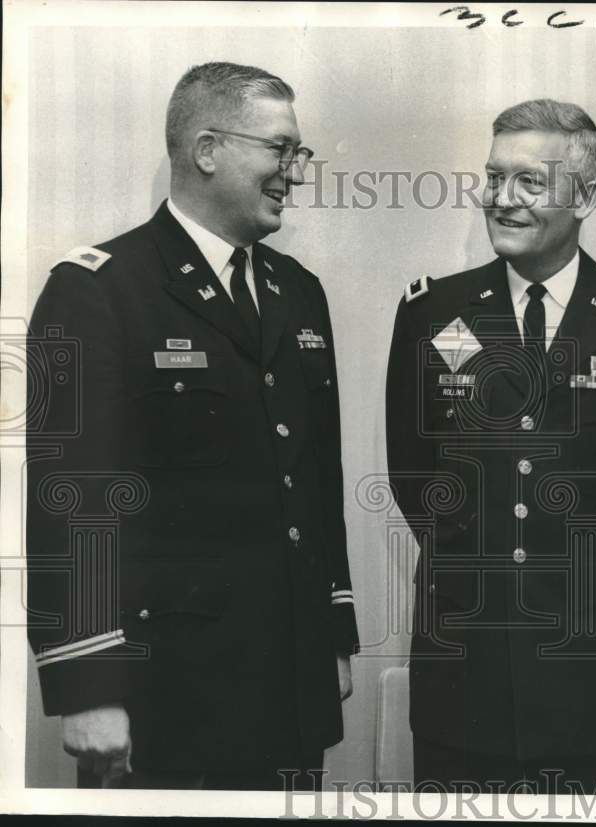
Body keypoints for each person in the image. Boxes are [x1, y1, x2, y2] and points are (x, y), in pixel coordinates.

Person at [26, 62, 358, 790]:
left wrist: (334, 636)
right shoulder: (98, 290)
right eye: (280, 149)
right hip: (166, 695)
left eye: (296, 153)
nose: (294, 172)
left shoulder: (297, 293)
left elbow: (315, 480)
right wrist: (88, 685)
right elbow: (72, 497)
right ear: (208, 148)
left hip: (290, 685)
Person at [385, 99, 596, 794]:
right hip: (464, 670)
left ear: (585, 196)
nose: (502, 198)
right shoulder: (432, 313)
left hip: (593, 674)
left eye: (529, 182)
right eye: (494, 178)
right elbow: (414, 479)